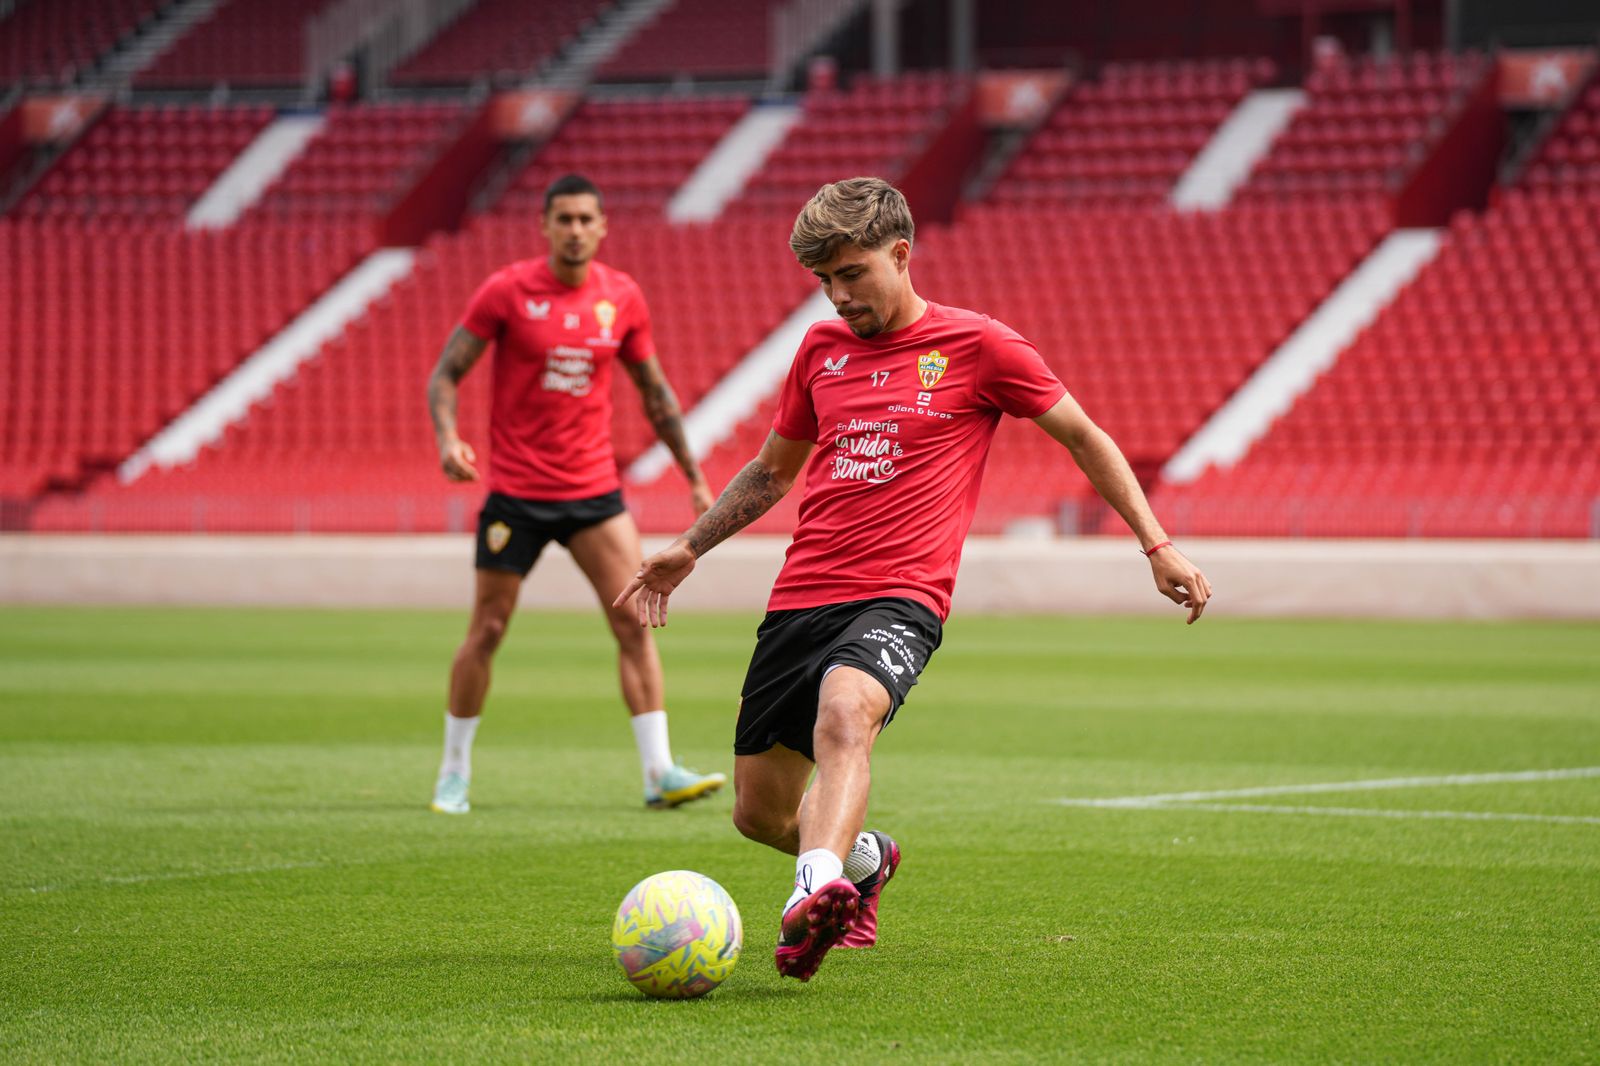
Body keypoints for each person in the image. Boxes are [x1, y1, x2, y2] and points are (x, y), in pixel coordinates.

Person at [615, 177, 1212, 981]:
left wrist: (1156, 544)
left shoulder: (981, 346)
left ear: (901, 255)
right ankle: (861, 862)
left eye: (852, 273)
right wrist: (690, 546)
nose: (838, 294)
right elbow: (771, 470)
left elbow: (1084, 435)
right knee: (758, 813)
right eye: (824, 280)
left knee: (846, 712)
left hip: (901, 596)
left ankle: (812, 896)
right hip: (801, 597)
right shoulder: (819, 350)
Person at [425, 173, 725, 814]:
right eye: (563, 218)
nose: (575, 230)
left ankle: (659, 771)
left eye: (587, 219)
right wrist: (448, 438)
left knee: (634, 619)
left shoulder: (622, 296)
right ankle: (453, 772)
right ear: (545, 225)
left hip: (594, 494)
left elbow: (656, 395)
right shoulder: (507, 290)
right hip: (516, 495)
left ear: (603, 225)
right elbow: (446, 372)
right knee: (489, 628)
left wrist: (694, 477)